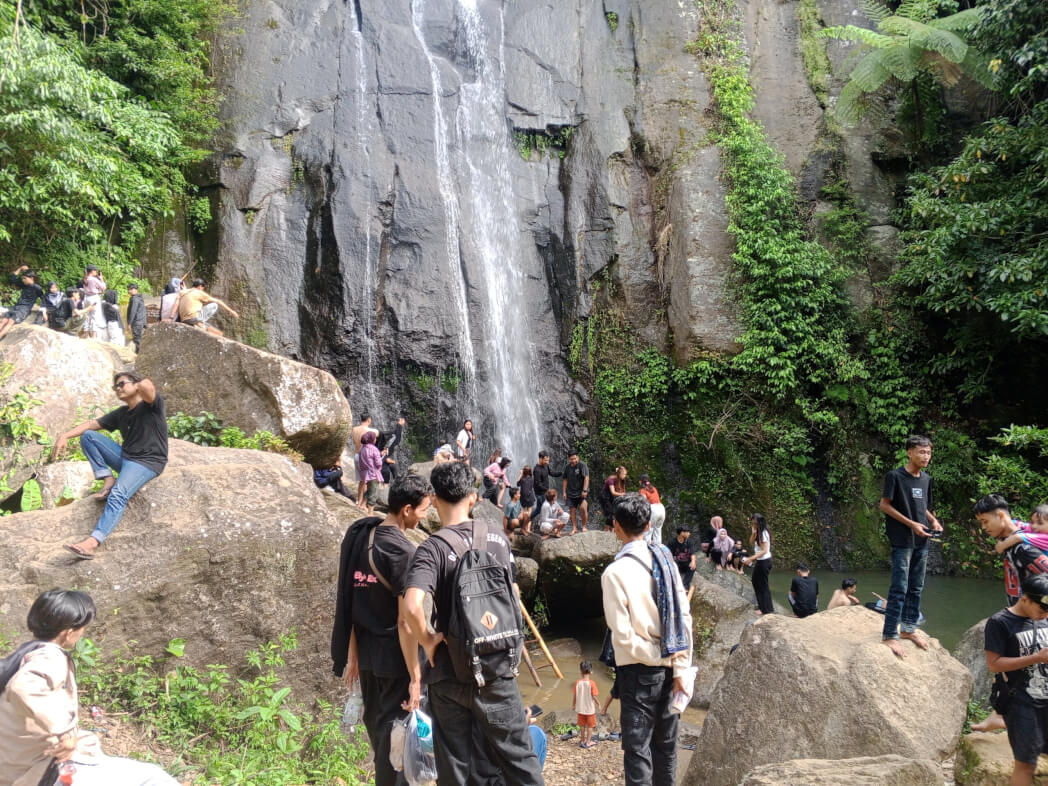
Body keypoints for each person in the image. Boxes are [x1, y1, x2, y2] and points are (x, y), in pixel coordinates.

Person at [402, 461, 543, 786]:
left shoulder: (432, 548)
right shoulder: (496, 539)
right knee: (519, 760)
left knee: (455, 767)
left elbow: (411, 605)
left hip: (449, 672)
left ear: (434, 499)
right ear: (473, 497)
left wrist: (428, 640)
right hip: (495, 671)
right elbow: (513, 594)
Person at [0, 590, 181, 786]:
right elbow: (24, 688)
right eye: (83, 628)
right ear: (69, 632)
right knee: (153, 778)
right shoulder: (49, 658)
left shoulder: (27, 652)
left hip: (18, 764)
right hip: (41, 773)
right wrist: (65, 732)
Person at [331, 473, 432, 786]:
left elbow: (349, 602)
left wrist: (353, 655)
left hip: (369, 659)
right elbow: (405, 622)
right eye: (424, 509)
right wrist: (416, 676)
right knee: (397, 739)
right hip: (394, 662)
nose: (427, 515)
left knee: (379, 730)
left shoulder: (362, 536)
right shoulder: (403, 553)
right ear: (406, 510)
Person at [601, 493, 693, 786]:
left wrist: (658, 658)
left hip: (639, 673)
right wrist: (678, 666)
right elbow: (683, 616)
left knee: (638, 751)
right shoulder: (665, 558)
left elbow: (623, 635)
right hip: (672, 666)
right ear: (648, 523)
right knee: (666, 748)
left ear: (616, 526)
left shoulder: (614, 572)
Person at [52, 372, 167, 559]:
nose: (118, 389)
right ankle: (107, 477)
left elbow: (149, 387)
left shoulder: (151, 406)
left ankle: (91, 543)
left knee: (118, 495)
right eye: (116, 387)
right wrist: (64, 436)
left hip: (147, 462)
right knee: (89, 436)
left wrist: (135, 384)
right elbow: (92, 424)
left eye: (121, 384)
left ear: (135, 384)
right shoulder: (122, 413)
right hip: (127, 458)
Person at [973, 495, 1048, 733]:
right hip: (1022, 611)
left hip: (1032, 615)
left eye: (986, 522)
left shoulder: (1023, 548)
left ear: (1001, 516)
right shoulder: (1016, 537)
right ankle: (999, 714)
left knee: (1023, 670)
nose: (984, 528)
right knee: (1008, 669)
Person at [879, 435, 942, 659]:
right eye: (921, 452)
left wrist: (932, 521)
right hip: (902, 540)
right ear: (909, 452)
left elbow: (923, 505)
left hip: (921, 539)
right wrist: (911, 524)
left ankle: (907, 629)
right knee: (900, 588)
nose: (926, 457)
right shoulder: (895, 476)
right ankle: (889, 634)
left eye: (928, 453)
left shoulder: (926, 479)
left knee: (916, 587)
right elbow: (884, 506)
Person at [983, 574, 1048, 786]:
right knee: (1026, 763)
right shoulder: (1000, 623)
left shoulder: (1045, 617)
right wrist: (1036, 657)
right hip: (1022, 701)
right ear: (1025, 599)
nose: (1044, 614)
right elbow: (994, 664)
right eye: (1041, 609)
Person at [0, 266, 44, 340]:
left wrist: (44, 311)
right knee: (4, 319)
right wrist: (20, 269)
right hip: (16, 307)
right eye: (22, 278)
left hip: (24, 309)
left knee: (10, 321)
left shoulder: (37, 288)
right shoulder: (24, 285)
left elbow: (44, 299)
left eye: (25, 278)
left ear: (31, 278)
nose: (23, 280)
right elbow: (12, 279)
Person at [742, 513, 774, 615]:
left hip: (764, 561)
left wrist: (750, 558)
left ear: (759, 523)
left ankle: (765, 609)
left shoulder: (764, 533)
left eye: (754, 523)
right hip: (761, 561)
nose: (753, 524)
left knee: (762, 584)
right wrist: (753, 533)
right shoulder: (758, 531)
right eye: (752, 523)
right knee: (756, 581)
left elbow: (764, 550)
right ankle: (765, 606)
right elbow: (751, 542)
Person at [572, 661, 600, 749]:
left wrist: (573, 705)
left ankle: (582, 740)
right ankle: (588, 742)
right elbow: (594, 696)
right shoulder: (592, 683)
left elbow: (575, 695)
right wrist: (599, 704)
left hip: (580, 709)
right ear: (591, 672)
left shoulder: (577, 682)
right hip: (590, 710)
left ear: (581, 671)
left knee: (582, 725)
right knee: (590, 726)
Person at [562, 452, 590, 534]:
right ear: (569, 459)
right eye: (571, 459)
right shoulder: (567, 467)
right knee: (572, 511)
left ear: (577, 457)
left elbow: (586, 478)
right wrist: (564, 492)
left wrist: (585, 490)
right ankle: (574, 527)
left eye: (575, 458)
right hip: (570, 492)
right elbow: (565, 480)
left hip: (581, 492)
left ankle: (584, 526)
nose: (573, 460)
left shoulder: (582, 465)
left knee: (583, 508)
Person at [356, 431, 384, 514]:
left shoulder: (362, 448)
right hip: (373, 473)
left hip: (365, 473)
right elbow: (379, 463)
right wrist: (379, 466)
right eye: (375, 438)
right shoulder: (374, 449)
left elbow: (360, 460)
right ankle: (370, 513)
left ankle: (362, 504)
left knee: (369, 489)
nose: (376, 439)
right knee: (373, 492)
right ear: (372, 439)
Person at [668, 526, 696, 601]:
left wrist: (693, 562)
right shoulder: (672, 542)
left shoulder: (690, 541)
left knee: (692, 567)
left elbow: (693, 553)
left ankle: (685, 586)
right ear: (681, 533)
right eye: (687, 532)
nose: (689, 534)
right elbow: (668, 554)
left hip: (687, 563)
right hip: (677, 563)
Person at [531, 451, 562, 521]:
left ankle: (527, 520)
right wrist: (547, 490)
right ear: (540, 459)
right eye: (545, 460)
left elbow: (552, 473)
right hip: (540, 493)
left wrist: (561, 473)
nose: (547, 462)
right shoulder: (537, 470)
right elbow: (538, 484)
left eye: (548, 460)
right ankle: (547, 525)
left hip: (545, 492)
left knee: (538, 510)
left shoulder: (546, 465)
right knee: (547, 508)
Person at [638, 475, 665, 546]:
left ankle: (647, 548)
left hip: (653, 509)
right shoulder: (653, 488)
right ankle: (658, 548)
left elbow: (644, 502)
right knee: (658, 530)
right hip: (661, 508)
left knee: (648, 529)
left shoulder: (643, 490)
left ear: (640, 481)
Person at [81, 264, 107, 339]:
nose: (96, 272)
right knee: (94, 317)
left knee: (86, 315)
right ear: (92, 271)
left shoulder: (85, 279)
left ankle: (86, 335)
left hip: (86, 298)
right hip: (94, 298)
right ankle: (93, 336)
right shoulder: (94, 279)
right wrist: (101, 279)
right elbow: (103, 287)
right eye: (95, 270)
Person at [380, 415, 406, 483]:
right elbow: (395, 438)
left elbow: (394, 437)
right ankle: (386, 485)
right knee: (387, 471)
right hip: (379, 466)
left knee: (393, 466)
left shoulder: (383, 443)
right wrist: (386, 459)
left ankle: (396, 483)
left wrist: (399, 425)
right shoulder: (380, 444)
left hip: (382, 461)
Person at [126, 283, 147, 352]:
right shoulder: (139, 298)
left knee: (137, 340)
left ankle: (139, 355)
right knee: (140, 339)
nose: (129, 291)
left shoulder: (135, 299)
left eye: (131, 289)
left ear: (136, 290)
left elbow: (133, 312)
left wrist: (129, 323)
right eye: (129, 289)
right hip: (141, 322)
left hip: (136, 322)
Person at [515, 466, 537, 530]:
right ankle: (528, 527)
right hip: (530, 497)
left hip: (523, 497)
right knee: (529, 511)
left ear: (523, 472)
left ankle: (523, 525)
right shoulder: (532, 479)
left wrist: (521, 474)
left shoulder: (522, 479)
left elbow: (517, 483)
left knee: (523, 511)